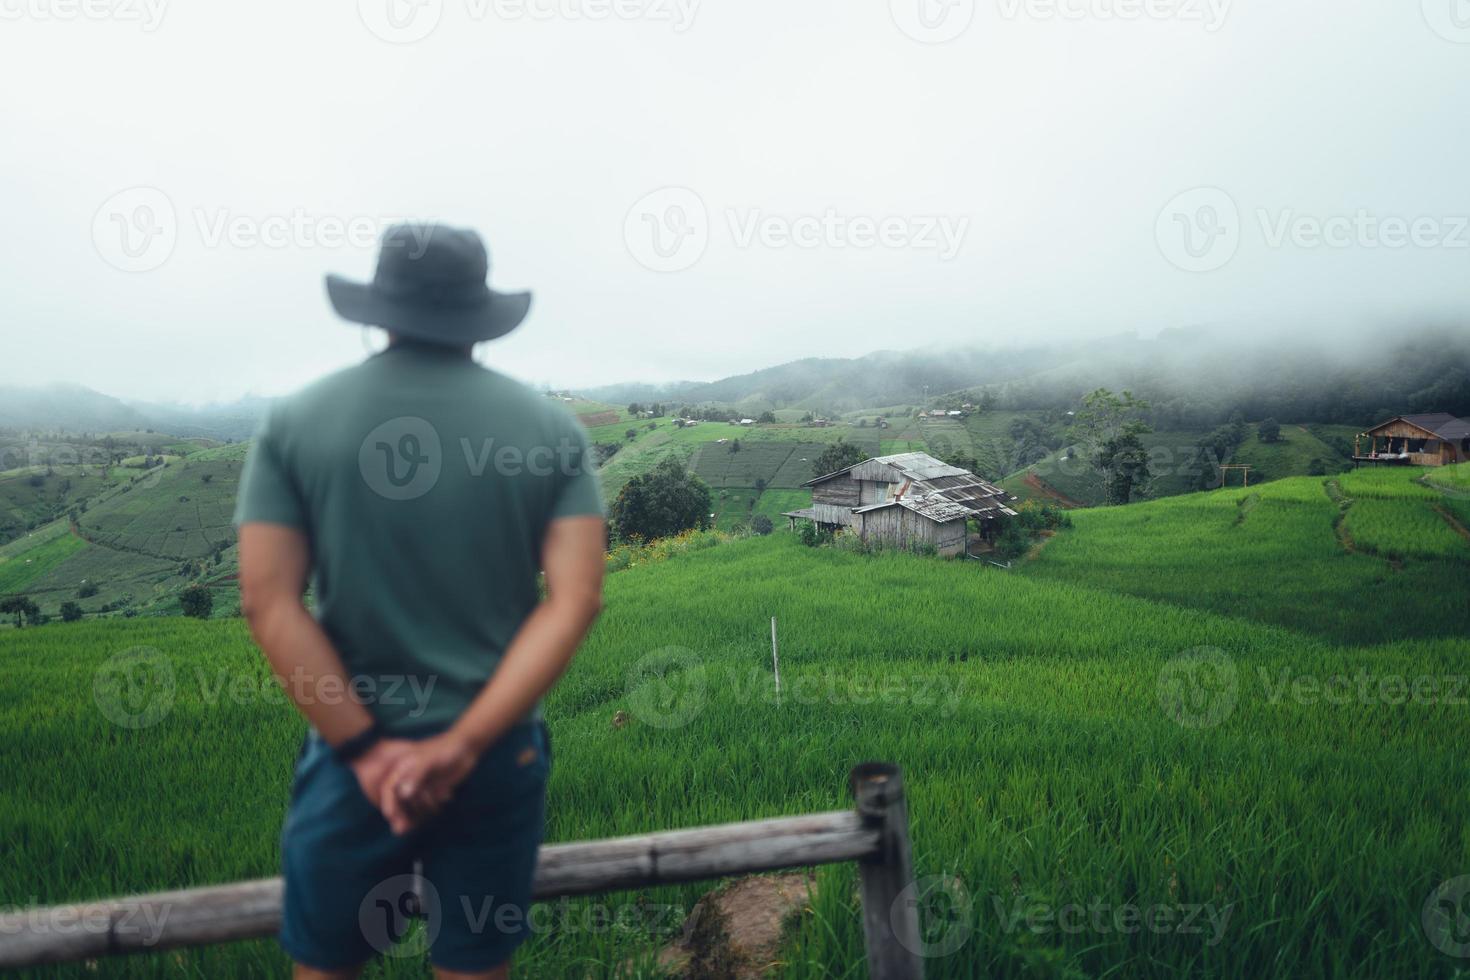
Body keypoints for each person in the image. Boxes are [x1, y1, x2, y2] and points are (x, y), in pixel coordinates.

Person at [234, 224, 606, 979]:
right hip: (497, 755)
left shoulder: (295, 422)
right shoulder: (551, 433)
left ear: (378, 311)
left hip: (348, 757)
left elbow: (267, 603)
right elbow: (575, 601)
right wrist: (461, 746)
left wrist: (368, 753)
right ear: (481, 315)